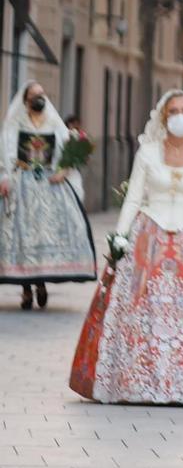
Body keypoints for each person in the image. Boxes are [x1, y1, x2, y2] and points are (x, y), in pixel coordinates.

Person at [69, 90, 183, 406]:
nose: (179, 116)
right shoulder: (147, 152)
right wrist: (120, 238)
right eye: (173, 110)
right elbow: (134, 198)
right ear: (164, 117)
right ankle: (141, 380)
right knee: (142, 306)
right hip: (149, 234)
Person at [1, 82, 96, 308]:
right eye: (34, 95)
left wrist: (63, 171)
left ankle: (41, 284)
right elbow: (5, 154)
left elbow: (69, 153)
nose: (38, 99)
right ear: (25, 100)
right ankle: (26, 290)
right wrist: (5, 178)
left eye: (41, 94)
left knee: (44, 236)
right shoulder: (15, 123)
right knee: (23, 237)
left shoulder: (54, 122)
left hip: (49, 185)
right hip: (21, 185)